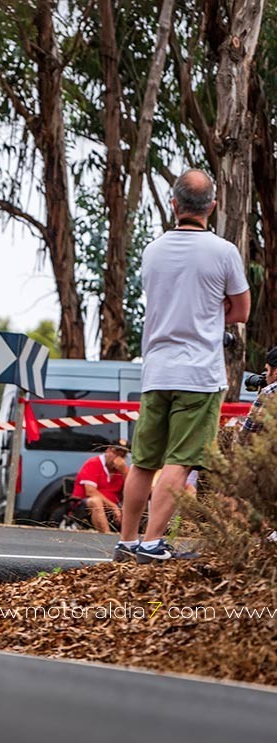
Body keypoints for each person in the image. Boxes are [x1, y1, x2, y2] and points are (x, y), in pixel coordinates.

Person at [116, 169, 251, 564]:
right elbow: (241, 311)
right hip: (198, 373)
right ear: (212, 206)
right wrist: (212, 312)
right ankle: (153, 543)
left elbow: (162, 298)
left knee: (143, 460)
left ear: (174, 204)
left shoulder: (152, 250)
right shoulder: (224, 252)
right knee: (180, 460)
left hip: (156, 370)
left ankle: (127, 541)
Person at [70, 441, 129, 533]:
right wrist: (114, 507)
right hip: (85, 505)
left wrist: (124, 472)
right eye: (115, 453)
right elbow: (90, 491)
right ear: (108, 450)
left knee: (135, 501)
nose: (117, 458)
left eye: (121, 455)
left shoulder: (122, 469)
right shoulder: (93, 463)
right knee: (96, 501)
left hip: (112, 508)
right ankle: (107, 534)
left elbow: (132, 490)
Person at [240, 346, 277, 435]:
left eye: (267, 370)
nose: (266, 376)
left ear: (275, 371)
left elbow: (247, 433)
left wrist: (261, 394)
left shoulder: (269, 391)